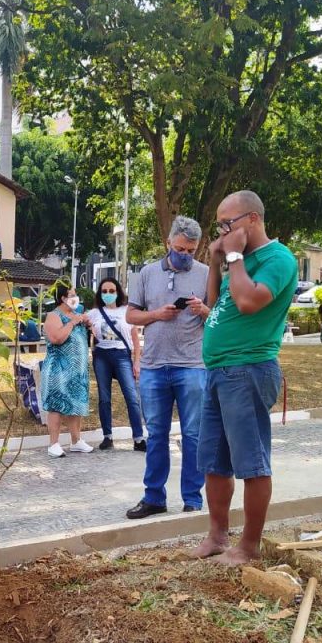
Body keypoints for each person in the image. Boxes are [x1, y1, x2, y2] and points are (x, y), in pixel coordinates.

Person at [191, 190, 298, 565]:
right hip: (219, 370)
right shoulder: (240, 260)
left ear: (252, 219)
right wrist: (215, 262)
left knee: (251, 462)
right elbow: (217, 302)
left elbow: (248, 301)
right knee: (214, 461)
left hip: (248, 369)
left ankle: (248, 547)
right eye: (219, 225)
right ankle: (217, 535)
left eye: (228, 223)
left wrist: (234, 256)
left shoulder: (277, 258)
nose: (222, 231)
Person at [125, 216, 210, 516]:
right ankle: (154, 497)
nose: (184, 255)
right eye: (179, 248)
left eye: (191, 250)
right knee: (156, 433)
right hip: (153, 366)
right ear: (168, 243)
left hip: (192, 366)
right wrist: (156, 315)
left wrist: (204, 310)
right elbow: (130, 316)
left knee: (193, 434)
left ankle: (193, 498)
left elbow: (220, 319)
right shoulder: (146, 274)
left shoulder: (207, 274)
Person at [86, 277, 145, 452]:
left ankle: (139, 438)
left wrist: (136, 362)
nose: (108, 294)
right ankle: (107, 437)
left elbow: (135, 339)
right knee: (104, 398)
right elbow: (79, 321)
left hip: (122, 355)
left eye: (111, 291)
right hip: (102, 355)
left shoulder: (126, 311)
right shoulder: (94, 313)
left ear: (118, 292)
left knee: (131, 396)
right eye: (104, 291)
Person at [41, 282, 93, 458]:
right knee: (56, 404)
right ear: (63, 298)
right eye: (71, 295)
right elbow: (56, 338)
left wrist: (87, 324)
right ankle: (53, 443)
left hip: (77, 370)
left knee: (76, 403)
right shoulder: (54, 316)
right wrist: (72, 322)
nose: (75, 298)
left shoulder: (77, 315)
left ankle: (76, 440)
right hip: (58, 369)